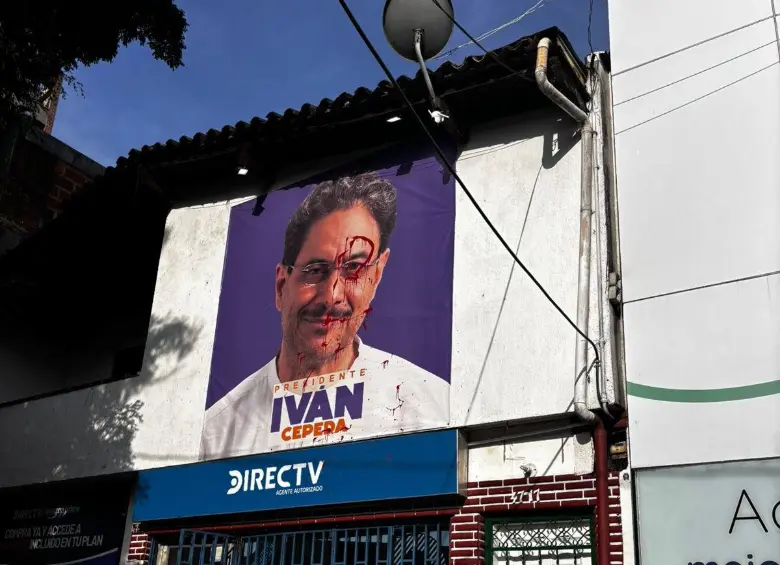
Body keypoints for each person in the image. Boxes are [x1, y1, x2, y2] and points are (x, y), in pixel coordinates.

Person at [200, 172, 449, 460]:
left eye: (354, 269)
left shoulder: (428, 408)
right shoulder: (218, 432)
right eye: (315, 271)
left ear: (377, 274)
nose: (332, 296)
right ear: (282, 286)